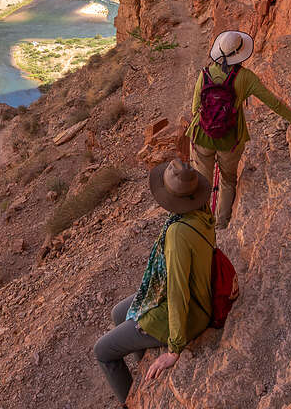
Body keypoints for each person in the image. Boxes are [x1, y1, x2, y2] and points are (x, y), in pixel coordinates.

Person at [94, 160, 216, 403]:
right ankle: (143, 372)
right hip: (200, 293)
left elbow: (178, 291)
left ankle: (130, 403)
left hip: (191, 311)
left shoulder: (178, 232)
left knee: (102, 351)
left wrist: (174, 349)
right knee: (119, 312)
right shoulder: (201, 211)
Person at [188, 30, 291, 230]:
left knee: (202, 182)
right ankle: (221, 224)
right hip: (229, 141)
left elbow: (195, 108)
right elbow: (274, 103)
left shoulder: (204, 74)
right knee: (228, 181)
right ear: (240, 54)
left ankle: (202, 223)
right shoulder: (246, 77)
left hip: (202, 137)